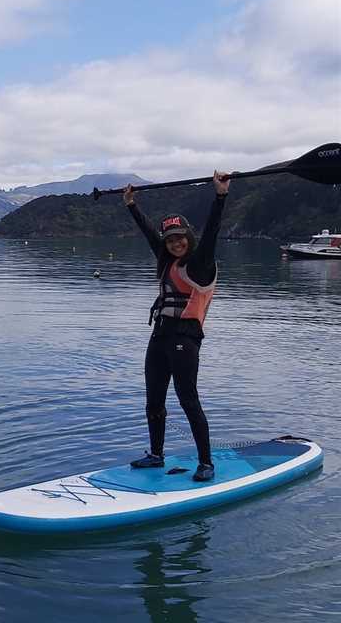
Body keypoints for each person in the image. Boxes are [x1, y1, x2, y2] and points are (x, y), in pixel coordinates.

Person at [123, 171, 230, 482]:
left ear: (189, 238)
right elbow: (148, 234)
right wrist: (131, 205)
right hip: (159, 336)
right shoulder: (166, 259)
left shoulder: (200, 263)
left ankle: (206, 462)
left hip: (185, 338)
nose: (175, 243)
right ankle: (156, 455)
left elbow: (212, 233)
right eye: (170, 239)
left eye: (180, 237)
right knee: (153, 400)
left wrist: (220, 197)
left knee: (188, 399)